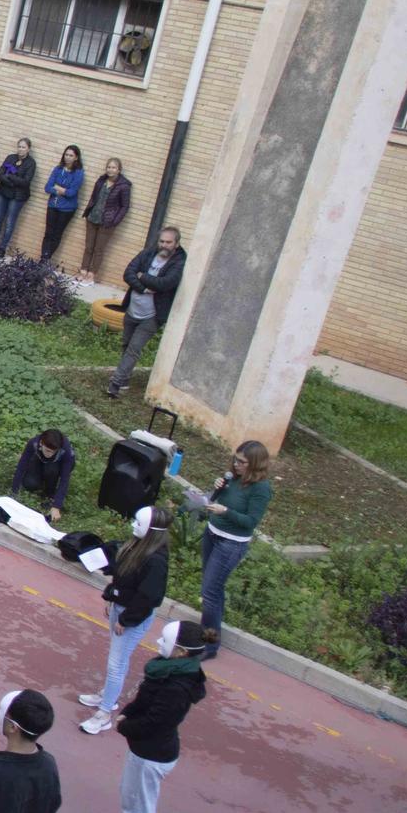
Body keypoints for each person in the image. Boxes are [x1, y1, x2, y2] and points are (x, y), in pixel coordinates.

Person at [79, 505, 174, 734]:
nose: (133, 525)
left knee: (117, 664)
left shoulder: (156, 561)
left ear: (151, 529)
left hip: (131, 616)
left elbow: (149, 597)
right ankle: (107, 696)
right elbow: (122, 577)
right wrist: (111, 597)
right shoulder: (136, 546)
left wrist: (127, 619)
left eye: (138, 523)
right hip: (120, 609)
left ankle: (105, 712)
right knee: (117, 658)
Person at [184, 440, 272, 660]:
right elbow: (215, 501)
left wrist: (226, 512)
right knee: (213, 589)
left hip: (231, 544)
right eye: (236, 459)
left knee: (209, 593)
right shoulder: (233, 479)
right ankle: (213, 636)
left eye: (242, 462)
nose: (236, 465)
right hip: (212, 534)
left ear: (255, 465)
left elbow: (250, 521)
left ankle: (209, 646)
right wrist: (217, 490)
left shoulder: (261, 489)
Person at [106, 226, 185, 400]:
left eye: (168, 242)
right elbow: (128, 273)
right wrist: (144, 287)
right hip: (133, 309)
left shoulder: (179, 261)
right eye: (162, 241)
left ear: (176, 244)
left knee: (134, 349)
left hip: (152, 315)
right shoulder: (148, 253)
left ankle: (116, 383)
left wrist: (142, 276)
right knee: (126, 345)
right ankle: (125, 378)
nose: (164, 245)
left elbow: (166, 283)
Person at [77, 156, 132, 284]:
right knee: (89, 247)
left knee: (99, 250)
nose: (110, 170)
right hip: (92, 218)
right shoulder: (101, 181)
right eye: (108, 167)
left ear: (119, 170)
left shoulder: (124, 186)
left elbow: (125, 206)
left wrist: (115, 221)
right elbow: (93, 197)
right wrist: (88, 211)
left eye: (113, 167)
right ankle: (83, 271)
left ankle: (91, 275)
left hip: (107, 223)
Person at [9, 428, 75, 524]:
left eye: (53, 451)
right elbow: (21, 466)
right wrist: (14, 492)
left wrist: (56, 506)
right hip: (39, 460)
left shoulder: (67, 452)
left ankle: (49, 493)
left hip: (58, 466)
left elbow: (65, 480)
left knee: (51, 470)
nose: (50, 454)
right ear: (41, 443)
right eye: (48, 450)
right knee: (30, 484)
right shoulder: (33, 443)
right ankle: (40, 478)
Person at [0, 138, 37, 256]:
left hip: (18, 196)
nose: (20, 149)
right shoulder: (11, 157)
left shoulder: (31, 163)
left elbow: (26, 182)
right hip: (3, 191)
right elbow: (0, 174)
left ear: (28, 149)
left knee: (10, 222)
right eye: (19, 146)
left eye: (23, 147)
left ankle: (2, 248)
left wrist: (11, 176)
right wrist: (11, 180)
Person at [39, 145, 85, 263]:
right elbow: (47, 187)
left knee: (56, 234)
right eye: (66, 154)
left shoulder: (78, 173)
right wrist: (61, 190)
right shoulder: (58, 169)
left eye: (71, 155)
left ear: (76, 158)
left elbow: (71, 193)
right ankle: (43, 258)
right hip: (53, 206)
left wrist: (58, 188)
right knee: (48, 232)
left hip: (67, 209)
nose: (68, 157)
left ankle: (47, 258)